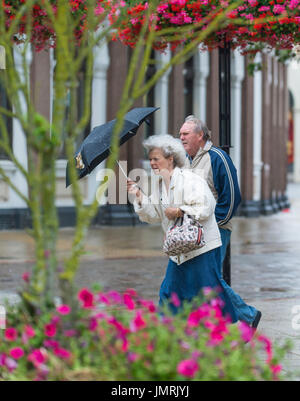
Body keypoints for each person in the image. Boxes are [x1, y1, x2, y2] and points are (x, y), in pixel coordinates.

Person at [127, 134, 238, 320]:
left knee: (209, 295)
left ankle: (229, 329)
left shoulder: (189, 179)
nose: (152, 163)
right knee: (169, 293)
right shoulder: (160, 184)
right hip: (179, 249)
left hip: (202, 248)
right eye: (150, 159)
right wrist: (138, 195)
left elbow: (206, 207)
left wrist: (179, 211)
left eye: (156, 158)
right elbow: (154, 215)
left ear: (170, 159)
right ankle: (168, 332)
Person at [179, 115, 261, 329]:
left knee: (210, 278)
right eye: (180, 134)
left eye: (185, 134)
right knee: (203, 278)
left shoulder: (218, 157)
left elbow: (232, 196)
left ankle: (247, 315)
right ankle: (211, 322)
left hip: (216, 230)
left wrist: (214, 224)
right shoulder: (186, 161)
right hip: (192, 232)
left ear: (200, 135)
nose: (181, 138)